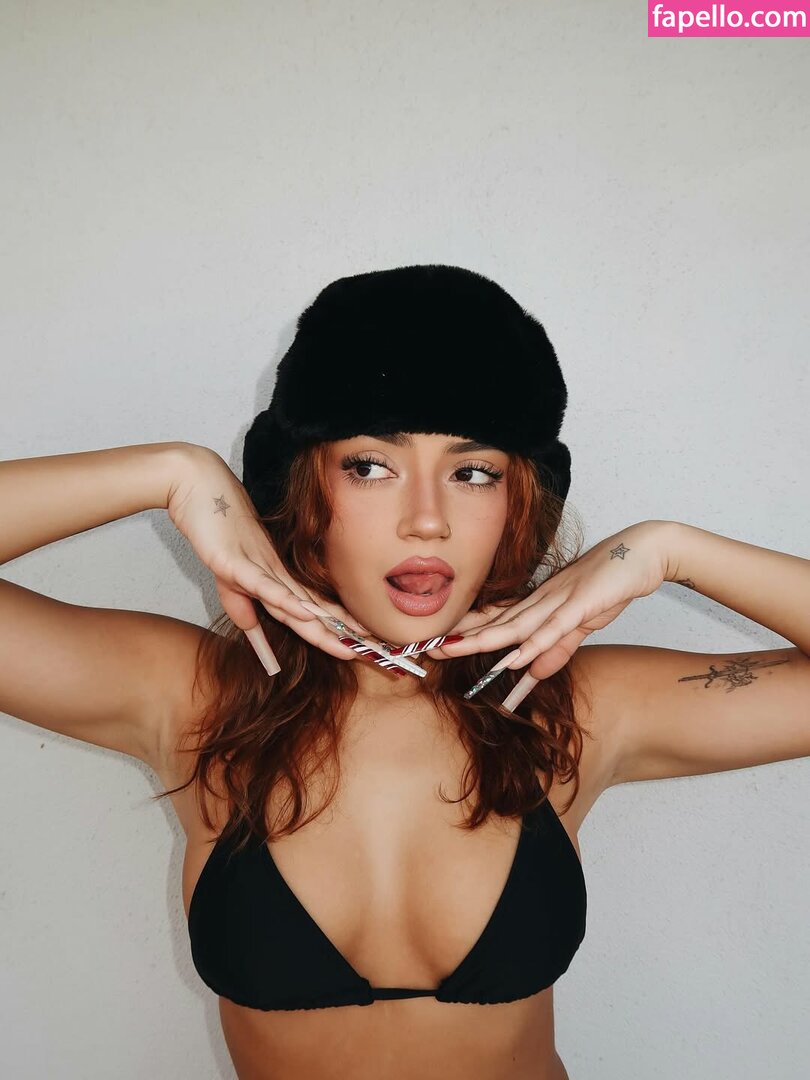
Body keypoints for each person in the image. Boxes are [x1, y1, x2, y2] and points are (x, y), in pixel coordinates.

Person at [2, 265, 808, 1080]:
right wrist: (170, 473)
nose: (427, 519)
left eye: (472, 472)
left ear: (519, 501)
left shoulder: (572, 708)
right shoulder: (198, 701)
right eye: (370, 466)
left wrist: (670, 550)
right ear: (301, 485)